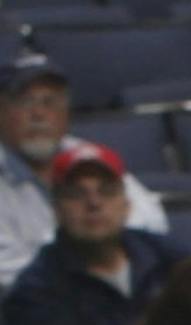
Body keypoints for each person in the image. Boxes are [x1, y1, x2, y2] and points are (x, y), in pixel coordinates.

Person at [0, 142, 176, 325]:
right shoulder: (37, 289)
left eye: (106, 192)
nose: (94, 203)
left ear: (126, 206)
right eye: (77, 194)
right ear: (56, 209)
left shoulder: (166, 257)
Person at [0, 41, 168, 294]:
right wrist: (98, 262)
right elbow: (8, 275)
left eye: (50, 101)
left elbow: (152, 224)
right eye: (26, 101)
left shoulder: (92, 159)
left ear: (66, 112)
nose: (39, 114)